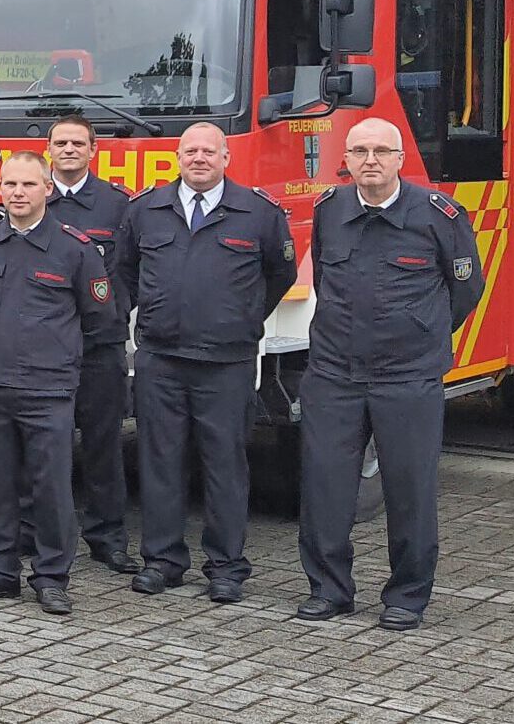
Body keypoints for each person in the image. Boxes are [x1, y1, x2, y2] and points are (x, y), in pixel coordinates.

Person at [295, 119, 481, 632]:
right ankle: (329, 590)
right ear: (346, 159)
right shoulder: (329, 210)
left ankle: (406, 596)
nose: (370, 160)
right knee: (324, 487)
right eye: (359, 151)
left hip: (407, 378)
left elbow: (464, 289)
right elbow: (328, 281)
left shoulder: (438, 215)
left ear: (401, 158)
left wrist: (421, 335)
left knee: (409, 490)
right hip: (334, 374)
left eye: (381, 150)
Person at [120, 122, 293, 603]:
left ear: (226, 158)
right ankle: (162, 560)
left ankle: (226, 566)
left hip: (226, 362)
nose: (199, 158)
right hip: (160, 359)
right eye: (190, 150)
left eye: (208, 151)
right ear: (177, 157)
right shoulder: (145, 211)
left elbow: (279, 274)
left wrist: (238, 319)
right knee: (159, 463)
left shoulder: (258, 213)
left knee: (225, 465)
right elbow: (125, 271)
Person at [0, 152, 115, 617]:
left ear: (47, 188)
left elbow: (97, 314)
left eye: (28, 184)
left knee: (51, 488)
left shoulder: (74, 248)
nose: (18, 193)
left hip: (48, 390)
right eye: (9, 185)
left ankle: (51, 577)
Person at [41, 115, 141, 577]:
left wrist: (111, 315)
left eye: (77, 143)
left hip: (99, 345)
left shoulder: (117, 205)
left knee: (103, 443)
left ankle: (107, 537)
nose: (68, 150)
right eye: (60, 143)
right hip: (44, 349)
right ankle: (37, 533)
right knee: (41, 445)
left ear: (93, 150)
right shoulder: (33, 200)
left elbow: (130, 273)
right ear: (49, 149)